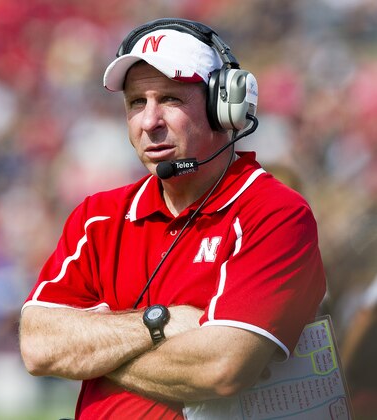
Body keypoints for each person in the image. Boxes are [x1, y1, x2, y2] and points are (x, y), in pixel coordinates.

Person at [19, 18, 326, 419]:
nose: (149, 122)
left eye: (170, 99)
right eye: (135, 103)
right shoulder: (97, 216)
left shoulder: (276, 213)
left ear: (224, 107)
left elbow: (221, 368)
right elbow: (38, 346)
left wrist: (95, 352)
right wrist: (157, 323)